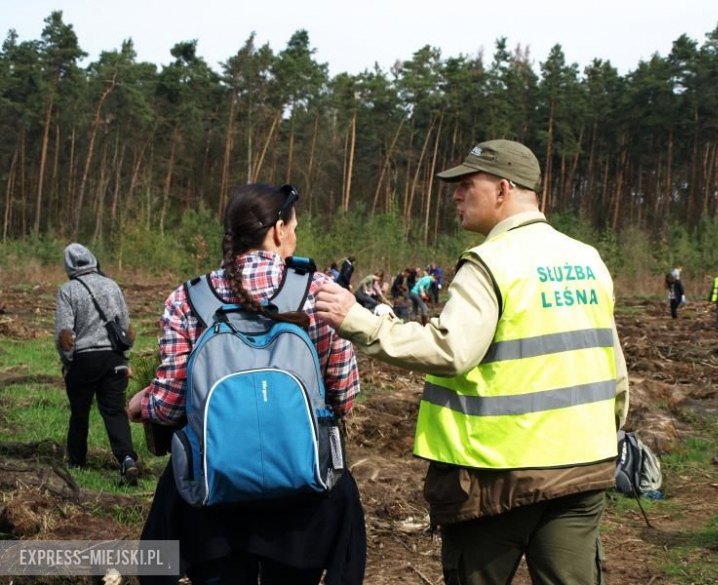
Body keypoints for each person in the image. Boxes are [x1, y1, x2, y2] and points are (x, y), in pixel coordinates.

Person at [315, 139, 629, 585]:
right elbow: (613, 366)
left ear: (503, 189)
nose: (455, 196)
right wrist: (607, 437)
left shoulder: (490, 262)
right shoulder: (588, 260)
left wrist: (360, 322)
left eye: (465, 185)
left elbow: (451, 350)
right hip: (584, 468)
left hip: (499, 477)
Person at [128, 183, 365, 584]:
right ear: (277, 231)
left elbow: (169, 405)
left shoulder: (186, 299)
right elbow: (342, 398)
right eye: (294, 227)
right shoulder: (321, 292)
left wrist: (141, 403)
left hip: (212, 499)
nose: (296, 236)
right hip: (303, 499)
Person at [54, 243, 138, 485]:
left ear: (68, 265)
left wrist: (67, 362)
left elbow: (65, 335)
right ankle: (127, 460)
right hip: (114, 359)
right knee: (114, 411)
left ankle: (77, 462)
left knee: (79, 413)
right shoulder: (111, 285)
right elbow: (127, 329)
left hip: (84, 360)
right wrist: (124, 358)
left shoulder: (68, 290)